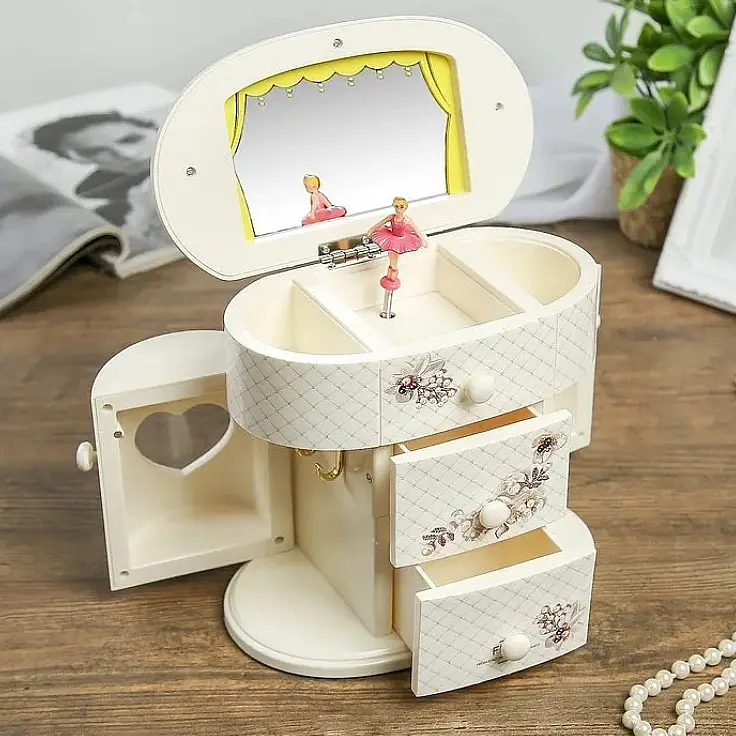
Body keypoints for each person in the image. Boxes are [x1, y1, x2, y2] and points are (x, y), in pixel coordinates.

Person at [30, 111, 159, 231]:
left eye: (132, 139)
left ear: (153, 128)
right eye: (96, 152)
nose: (128, 154)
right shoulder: (116, 212)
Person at [367, 197, 427, 289]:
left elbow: (416, 229)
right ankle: (391, 273)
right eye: (396, 206)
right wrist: (371, 230)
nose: (399, 209)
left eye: (401, 207)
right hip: (391, 237)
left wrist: (422, 240)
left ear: (405, 207)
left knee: (394, 256)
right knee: (391, 255)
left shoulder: (406, 220)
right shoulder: (391, 217)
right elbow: (380, 223)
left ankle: (393, 274)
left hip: (401, 240)